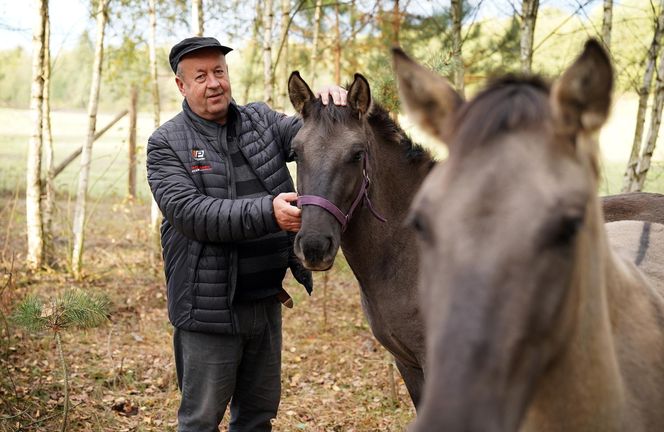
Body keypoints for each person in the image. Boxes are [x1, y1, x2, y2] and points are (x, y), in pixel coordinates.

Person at [146, 36, 346, 432]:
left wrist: (328, 104)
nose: (213, 82)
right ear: (181, 85)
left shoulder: (261, 121)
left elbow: (316, 138)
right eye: (200, 76)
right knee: (201, 420)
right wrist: (268, 213)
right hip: (209, 313)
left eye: (219, 71)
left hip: (265, 305)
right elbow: (193, 214)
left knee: (256, 419)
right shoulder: (166, 143)